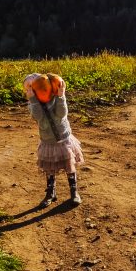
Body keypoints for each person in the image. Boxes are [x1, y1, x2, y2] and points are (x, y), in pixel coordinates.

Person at [23, 72, 85, 206]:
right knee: (49, 169)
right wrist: (33, 99)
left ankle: (74, 192)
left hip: (64, 139)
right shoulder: (34, 104)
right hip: (48, 141)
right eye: (29, 89)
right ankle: (51, 193)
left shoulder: (56, 98)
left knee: (70, 166)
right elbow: (39, 118)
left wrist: (61, 95)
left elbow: (61, 114)